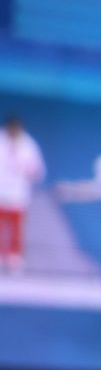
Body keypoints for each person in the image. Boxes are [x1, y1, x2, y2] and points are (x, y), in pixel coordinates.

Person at [0, 115, 46, 271]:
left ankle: (14, 258)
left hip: (18, 194)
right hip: (1, 191)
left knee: (16, 227)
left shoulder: (29, 145)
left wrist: (30, 171)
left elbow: (38, 170)